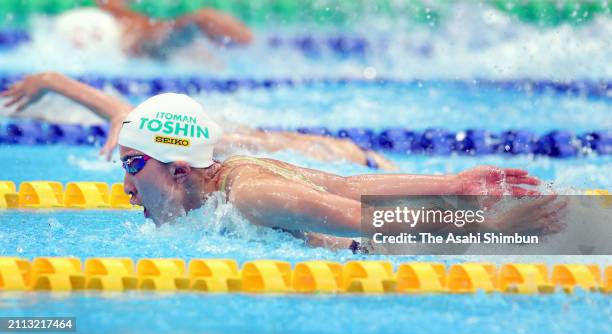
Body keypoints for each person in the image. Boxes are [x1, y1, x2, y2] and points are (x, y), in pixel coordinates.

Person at [113, 93, 563, 250]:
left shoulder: (247, 195)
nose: (126, 187)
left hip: (390, 254)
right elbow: (348, 184)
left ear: (177, 169)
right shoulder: (236, 170)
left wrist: (495, 228)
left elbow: (368, 219)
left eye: (132, 165)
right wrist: (453, 184)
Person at [0, 72, 397, 169]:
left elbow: (125, 112)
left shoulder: (214, 146)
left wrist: (53, 81)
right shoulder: (179, 142)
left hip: (356, 158)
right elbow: (124, 112)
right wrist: (52, 81)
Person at [53, 0, 252, 58]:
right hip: (146, 43)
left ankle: (249, 48)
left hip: (149, 45)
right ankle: (251, 48)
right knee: (205, 17)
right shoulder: (109, 7)